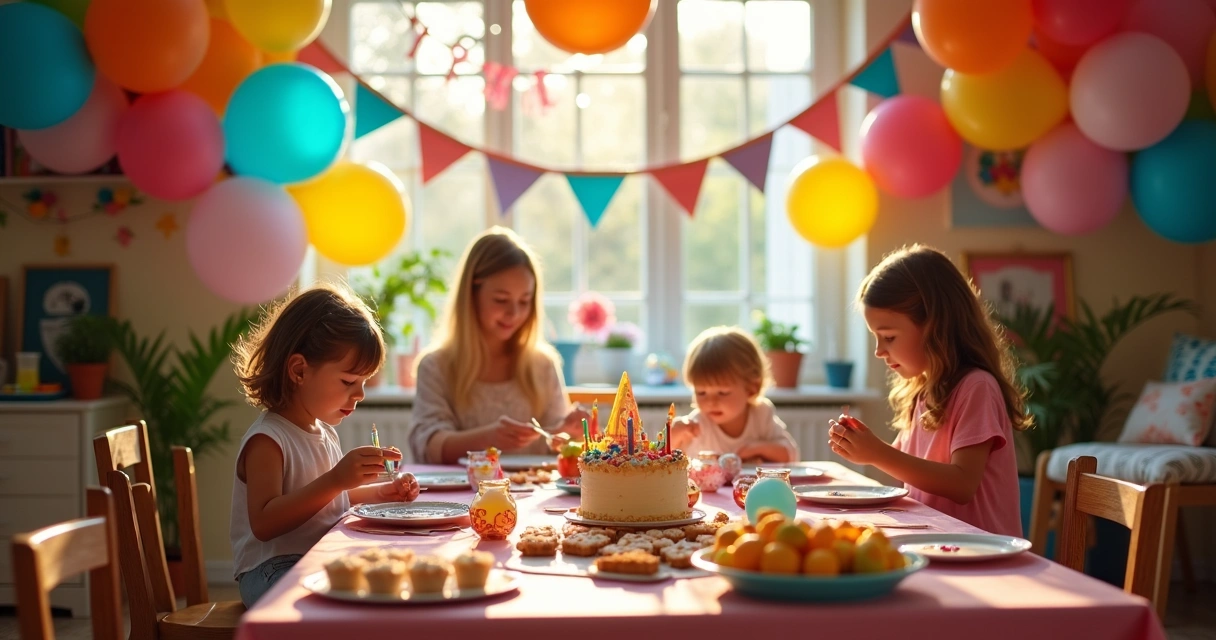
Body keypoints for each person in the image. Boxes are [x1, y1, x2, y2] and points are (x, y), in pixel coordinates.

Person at [229, 283, 420, 606]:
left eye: (363, 382)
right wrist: (337, 479)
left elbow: (327, 501)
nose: (359, 394)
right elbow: (264, 522)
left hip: (314, 556)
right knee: (350, 602)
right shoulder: (268, 439)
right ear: (299, 370)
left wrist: (379, 492)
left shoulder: (322, 430)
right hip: (271, 569)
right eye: (348, 381)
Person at [828, 245, 1031, 537]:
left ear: (935, 326)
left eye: (888, 337)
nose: (878, 351)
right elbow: (911, 468)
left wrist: (877, 452)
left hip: (982, 556)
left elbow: (962, 484)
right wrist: (860, 445)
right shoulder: (923, 392)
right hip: (938, 545)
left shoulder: (977, 388)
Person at [409, 227, 589, 464]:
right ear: (471, 293)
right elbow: (427, 447)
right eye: (501, 300)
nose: (514, 313)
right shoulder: (436, 366)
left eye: (525, 301)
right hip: (465, 496)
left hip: (534, 494)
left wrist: (570, 434)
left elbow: (557, 447)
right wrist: (488, 438)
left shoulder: (543, 364)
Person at [669, 326, 798, 463]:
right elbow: (665, 463)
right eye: (701, 392)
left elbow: (791, 456)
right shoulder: (697, 424)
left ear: (751, 388)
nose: (711, 402)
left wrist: (757, 448)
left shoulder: (761, 414)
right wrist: (673, 437)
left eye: (722, 393)